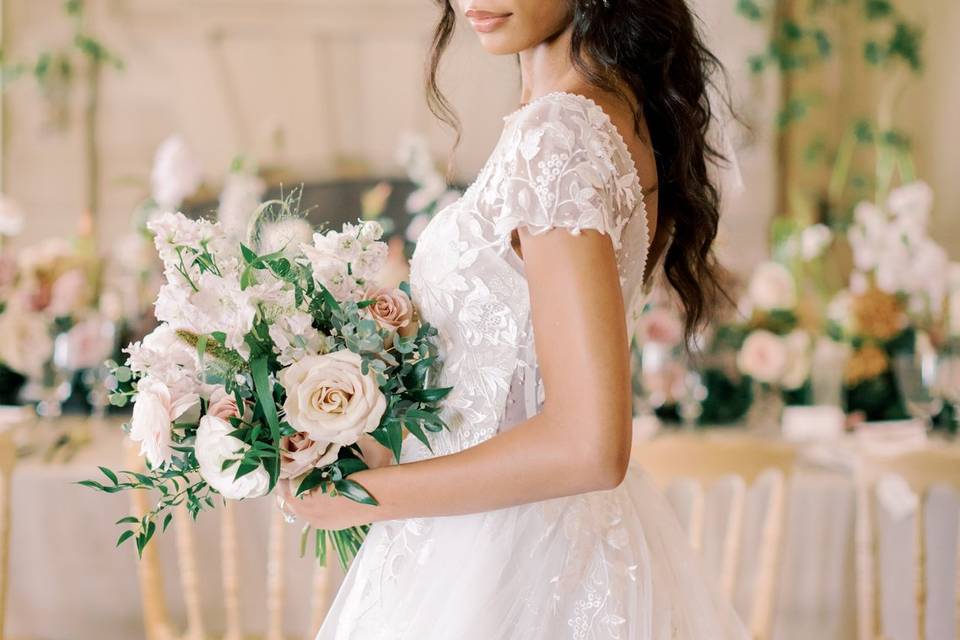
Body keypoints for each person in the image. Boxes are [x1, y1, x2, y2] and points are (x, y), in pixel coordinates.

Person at [281, 1, 748, 637]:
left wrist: (362, 497)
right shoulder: (603, 117)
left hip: (514, 563)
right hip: (518, 542)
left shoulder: (559, 135)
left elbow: (589, 445)